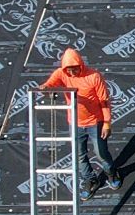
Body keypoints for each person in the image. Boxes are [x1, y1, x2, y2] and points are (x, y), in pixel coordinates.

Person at [39, 46, 115, 190]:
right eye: (69, 70)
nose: (72, 72)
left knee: (101, 153)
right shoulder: (61, 74)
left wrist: (106, 122)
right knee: (79, 155)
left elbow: (104, 100)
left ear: (80, 65)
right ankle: (91, 180)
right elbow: (50, 84)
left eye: (75, 69)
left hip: (95, 122)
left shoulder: (93, 76)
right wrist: (45, 87)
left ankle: (111, 173)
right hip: (75, 123)